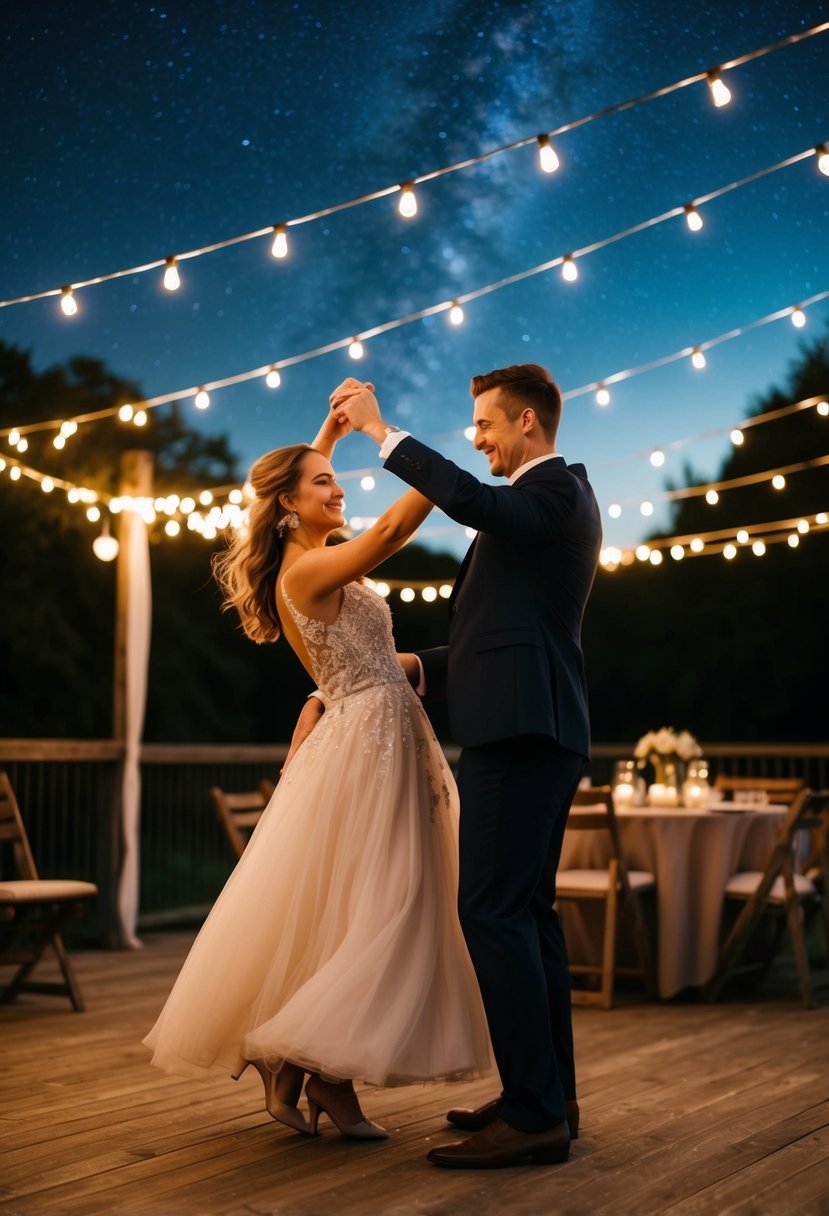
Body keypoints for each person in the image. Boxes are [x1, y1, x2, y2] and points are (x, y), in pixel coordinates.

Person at [143, 399, 492, 1140]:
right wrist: (441, 468)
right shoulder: (305, 575)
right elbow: (395, 529)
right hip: (367, 743)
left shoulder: (308, 559)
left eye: (337, 480)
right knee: (383, 909)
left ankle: (316, 1075)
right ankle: (300, 1060)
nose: (339, 490)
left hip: (385, 735)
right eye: (325, 484)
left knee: (366, 908)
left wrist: (327, 435)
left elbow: (306, 495)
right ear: (286, 509)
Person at [332, 363, 602, 1169]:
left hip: (522, 732)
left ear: (526, 422)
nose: (475, 435)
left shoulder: (552, 493)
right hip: (533, 724)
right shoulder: (538, 509)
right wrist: (412, 666)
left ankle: (531, 1115)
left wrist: (382, 434)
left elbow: (475, 501)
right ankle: (548, 1095)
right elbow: (499, 637)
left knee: (489, 912)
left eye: (485, 422)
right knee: (526, 915)